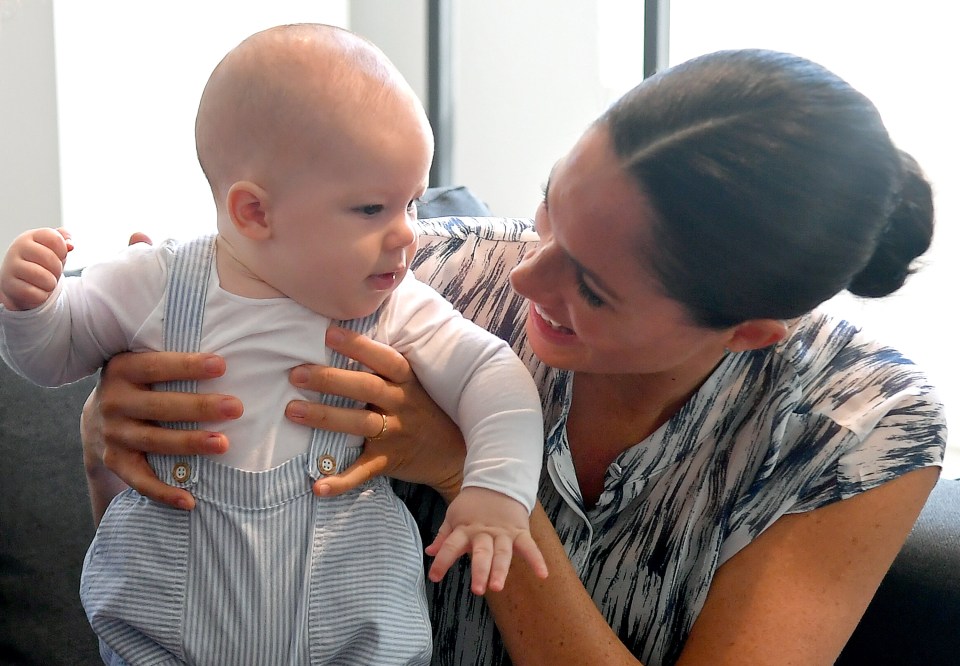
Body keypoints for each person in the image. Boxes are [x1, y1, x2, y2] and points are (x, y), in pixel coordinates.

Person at [78, 48, 946, 665]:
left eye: (593, 287)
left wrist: (469, 474)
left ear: (751, 328)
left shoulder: (855, 425)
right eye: (549, 210)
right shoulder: (428, 270)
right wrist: (115, 416)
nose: (526, 276)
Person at [0, 24, 548, 666]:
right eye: (372, 210)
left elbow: (493, 374)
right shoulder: (150, 282)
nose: (408, 235)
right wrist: (32, 308)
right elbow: (51, 361)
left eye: (413, 203)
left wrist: (495, 491)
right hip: (164, 637)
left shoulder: (396, 304)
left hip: (352, 636)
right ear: (254, 213)